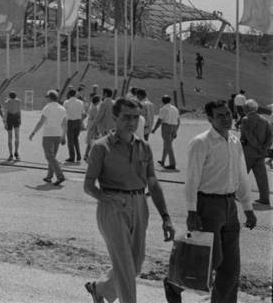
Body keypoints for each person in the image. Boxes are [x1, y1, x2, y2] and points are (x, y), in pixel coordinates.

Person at [164, 99, 257, 303]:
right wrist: (191, 211)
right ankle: (174, 285)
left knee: (231, 266)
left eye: (228, 114)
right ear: (210, 119)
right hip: (207, 205)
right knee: (208, 260)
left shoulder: (234, 142)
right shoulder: (201, 142)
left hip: (229, 206)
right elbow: (192, 179)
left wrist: (248, 208)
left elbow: (241, 176)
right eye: (220, 116)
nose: (226, 119)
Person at [84, 98, 175, 303]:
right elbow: (88, 185)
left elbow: (153, 183)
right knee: (125, 265)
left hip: (140, 204)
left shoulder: (144, 147)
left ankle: (101, 288)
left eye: (135, 118)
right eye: (126, 117)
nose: (131, 122)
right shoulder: (101, 147)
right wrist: (106, 199)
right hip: (112, 208)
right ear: (115, 118)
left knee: (135, 263)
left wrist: (166, 217)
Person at [29, 90, 67, 185]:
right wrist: (63, 136)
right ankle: (49, 177)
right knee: (52, 157)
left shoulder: (47, 108)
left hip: (48, 134)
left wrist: (33, 132)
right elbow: (64, 124)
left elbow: (41, 122)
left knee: (49, 156)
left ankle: (60, 176)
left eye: (47, 97)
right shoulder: (62, 108)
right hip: (57, 135)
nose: (46, 98)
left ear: (50, 97)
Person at [239, 99, 272, 206]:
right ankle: (264, 198)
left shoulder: (245, 119)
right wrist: (264, 148)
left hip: (248, 152)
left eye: (244, 107)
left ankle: (234, 195)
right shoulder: (265, 120)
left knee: (241, 175)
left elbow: (248, 135)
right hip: (261, 153)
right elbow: (271, 136)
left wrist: (257, 146)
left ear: (247, 109)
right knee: (262, 177)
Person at [151, 95, 180, 170]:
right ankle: (163, 160)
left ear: (162, 101)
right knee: (167, 144)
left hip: (166, 127)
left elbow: (160, 120)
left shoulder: (163, 109)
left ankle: (172, 164)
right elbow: (178, 121)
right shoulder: (175, 108)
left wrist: (154, 129)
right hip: (174, 126)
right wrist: (176, 131)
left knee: (168, 145)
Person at [63, 89, 86, 163]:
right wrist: (81, 121)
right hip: (78, 121)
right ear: (75, 94)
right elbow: (84, 113)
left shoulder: (66, 102)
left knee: (70, 141)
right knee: (76, 139)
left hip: (70, 122)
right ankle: (78, 156)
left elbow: (64, 113)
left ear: (69, 94)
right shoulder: (80, 102)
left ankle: (72, 157)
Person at [3, 91, 22, 161]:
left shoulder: (7, 102)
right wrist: (20, 119)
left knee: (10, 136)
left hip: (10, 118)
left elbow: (5, 113)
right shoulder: (18, 101)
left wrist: (5, 122)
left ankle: (11, 154)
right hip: (15, 118)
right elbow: (19, 111)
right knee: (16, 136)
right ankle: (15, 153)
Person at [83, 95, 102, 161]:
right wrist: (97, 129)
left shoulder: (92, 107)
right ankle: (90, 155)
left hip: (90, 125)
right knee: (93, 141)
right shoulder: (95, 109)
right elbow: (95, 119)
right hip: (93, 126)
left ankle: (86, 154)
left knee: (90, 141)